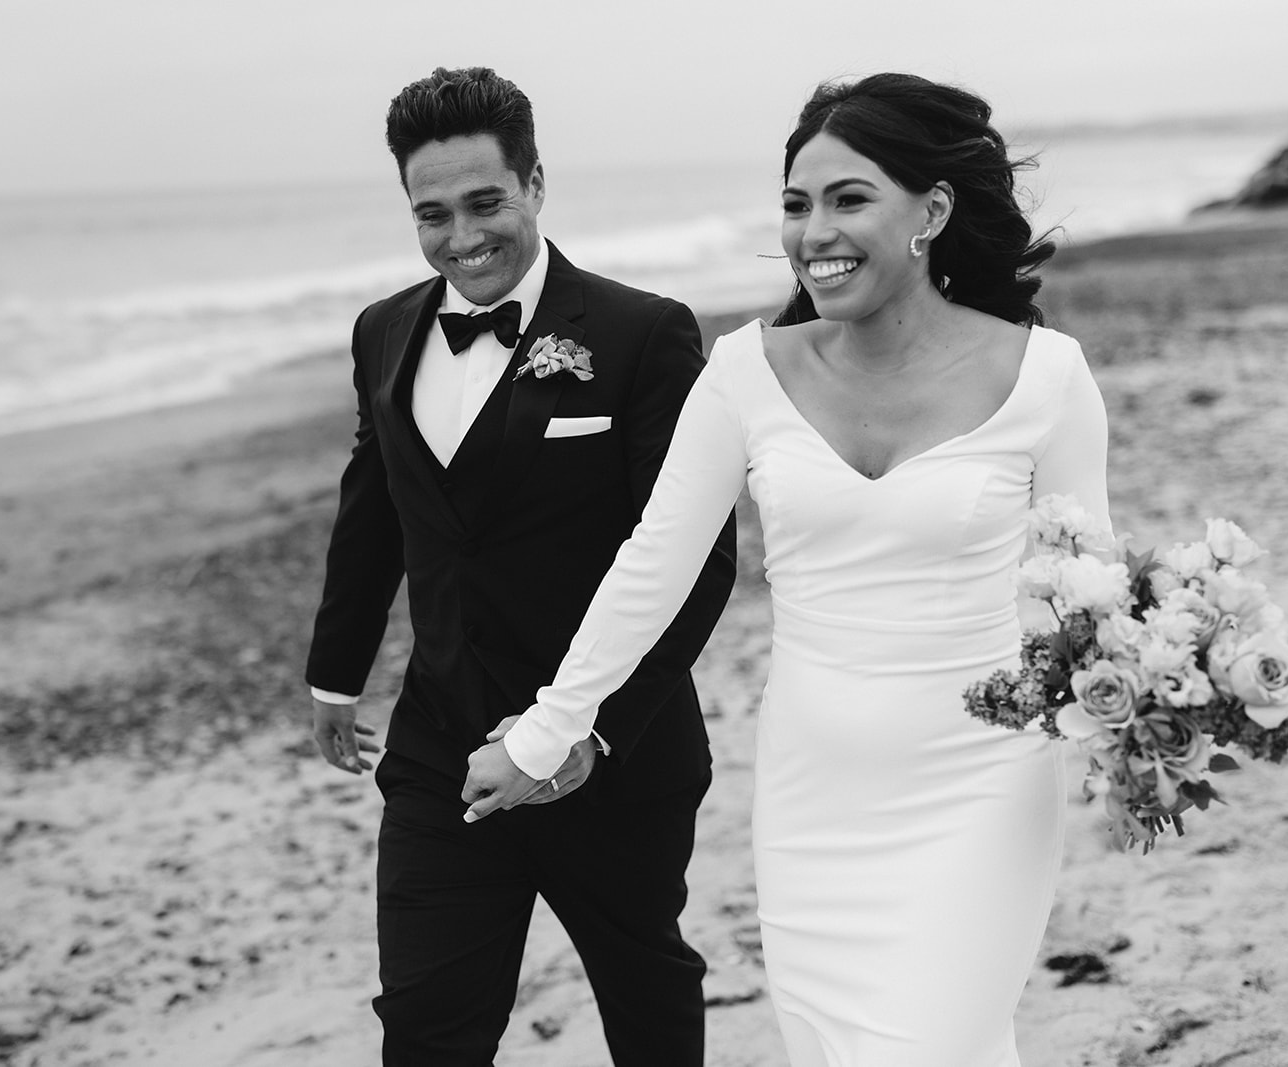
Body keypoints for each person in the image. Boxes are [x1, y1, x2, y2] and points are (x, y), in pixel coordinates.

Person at [463, 72, 1110, 1066]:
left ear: (931, 211)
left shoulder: (1046, 378)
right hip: (814, 797)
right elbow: (655, 562)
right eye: (797, 204)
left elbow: (1088, 587)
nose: (814, 230)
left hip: (982, 783)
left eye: (849, 198)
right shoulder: (743, 374)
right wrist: (552, 726)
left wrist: (1148, 707)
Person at [303, 66, 737, 1066]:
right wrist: (336, 673)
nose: (463, 237)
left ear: (535, 183)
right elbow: (372, 515)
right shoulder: (382, 332)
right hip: (440, 751)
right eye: (432, 214)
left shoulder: (642, 334)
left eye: (485, 202)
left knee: (645, 995)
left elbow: (694, 559)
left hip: (612, 752)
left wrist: (586, 733)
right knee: (425, 1022)